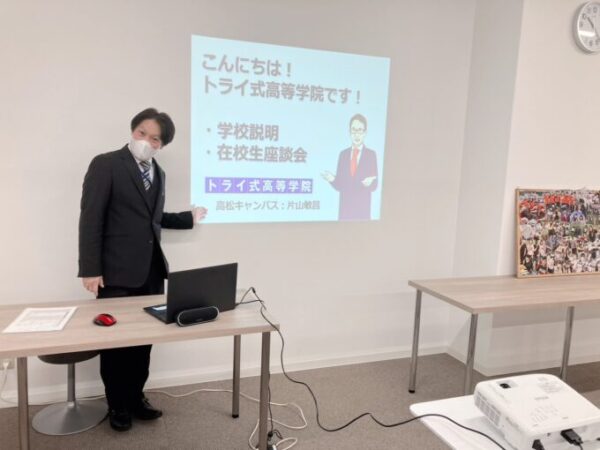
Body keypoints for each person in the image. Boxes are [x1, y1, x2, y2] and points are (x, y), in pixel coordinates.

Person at [78, 108, 207, 432]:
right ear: (132, 130)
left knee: (144, 342)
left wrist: (187, 218)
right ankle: (117, 405)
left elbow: (152, 218)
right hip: (115, 273)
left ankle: (136, 398)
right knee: (116, 344)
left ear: (162, 145)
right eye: (142, 133)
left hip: (150, 272)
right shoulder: (106, 163)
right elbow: (91, 218)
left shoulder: (158, 172)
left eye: (155, 139)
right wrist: (90, 269)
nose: (147, 141)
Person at [321, 114, 378, 221]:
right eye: (353, 130)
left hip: (362, 213)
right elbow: (340, 185)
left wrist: (369, 183)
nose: (356, 134)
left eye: (360, 130)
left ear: (365, 132)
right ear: (349, 132)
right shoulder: (343, 155)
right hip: (345, 212)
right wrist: (332, 179)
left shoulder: (371, 155)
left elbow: (375, 185)